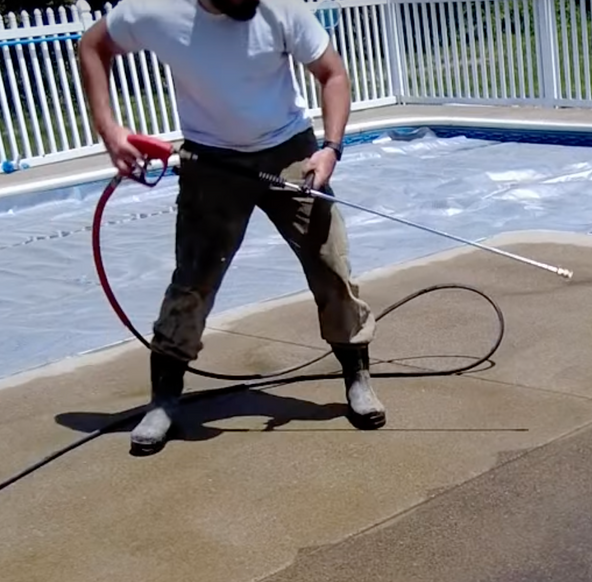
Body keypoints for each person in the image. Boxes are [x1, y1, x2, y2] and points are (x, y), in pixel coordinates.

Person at [75, 0, 382, 453]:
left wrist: (331, 149)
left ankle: (357, 376)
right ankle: (163, 400)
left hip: (289, 150)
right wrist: (110, 128)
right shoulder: (154, 10)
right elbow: (92, 45)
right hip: (211, 160)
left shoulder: (282, 8)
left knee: (330, 265)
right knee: (193, 281)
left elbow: (333, 74)